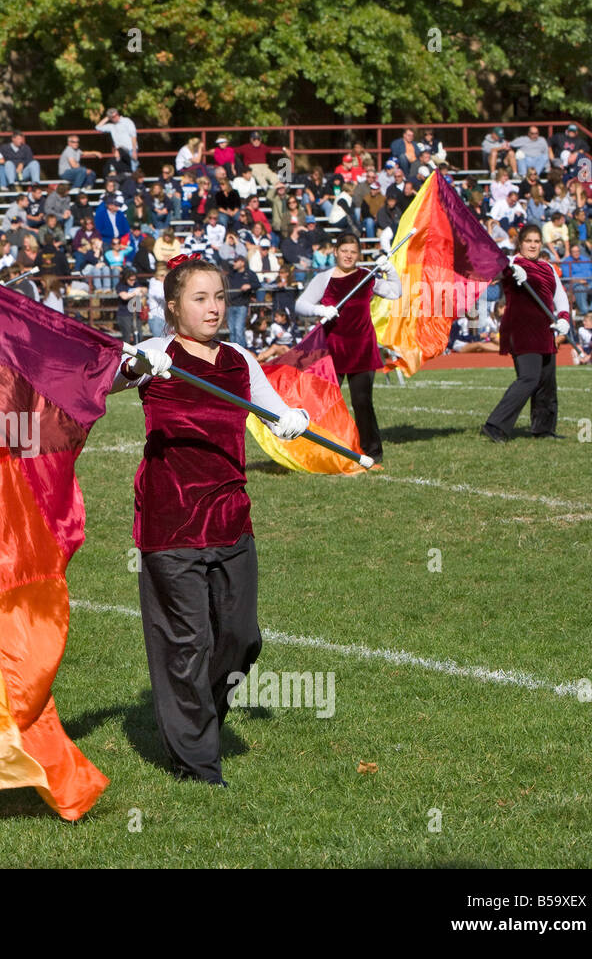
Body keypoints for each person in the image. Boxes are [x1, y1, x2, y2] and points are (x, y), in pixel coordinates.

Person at [108, 255, 308, 786]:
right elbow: (98, 384)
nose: (214, 307)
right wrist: (132, 369)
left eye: (219, 297)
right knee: (185, 643)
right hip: (170, 524)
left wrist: (294, 420)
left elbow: (275, 412)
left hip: (231, 520)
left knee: (241, 639)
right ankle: (197, 763)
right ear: (173, 306)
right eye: (200, 298)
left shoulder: (240, 359)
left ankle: (198, 719)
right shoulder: (155, 353)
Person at [295, 233, 401, 463]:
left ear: (358, 255)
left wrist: (389, 270)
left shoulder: (366, 277)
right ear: (336, 252)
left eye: (353, 252)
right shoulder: (324, 278)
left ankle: (371, 452)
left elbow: (395, 292)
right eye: (344, 250)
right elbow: (300, 304)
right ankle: (319, 449)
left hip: (362, 348)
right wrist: (320, 310)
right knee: (325, 402)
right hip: (332, 350)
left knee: (362, 402)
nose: (348, 255)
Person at [482, 225, 569, 442]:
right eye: (528, 241)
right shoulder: (511, 263)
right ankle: (495, 425)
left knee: (547, 381)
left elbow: (560, 297)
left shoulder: (548, 267)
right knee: (529, 378)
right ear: (520, 243)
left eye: (537, 241)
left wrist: (565, 319)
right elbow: (490, 274)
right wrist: (510, 270)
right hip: (521, 330)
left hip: (545, 330)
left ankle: (543, 429)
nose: (533, 245)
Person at [96, 108, 138, 173]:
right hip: (119, 152)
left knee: (133, 169)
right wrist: (107, 118)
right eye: (113, 117)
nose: (115, 117)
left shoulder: (127, 121)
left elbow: (133, 136)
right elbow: (98, 127)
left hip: (130, 149)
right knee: (122, 170)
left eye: (116, 115)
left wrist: (134, 150)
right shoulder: (111, 126)